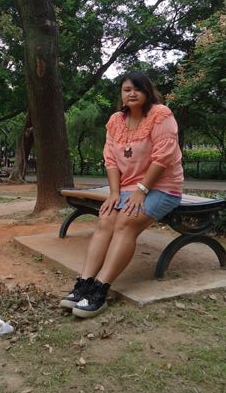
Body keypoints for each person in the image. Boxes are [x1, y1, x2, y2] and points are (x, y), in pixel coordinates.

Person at [60, 72, 184, 318]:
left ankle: (100, 289)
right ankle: (84, 283)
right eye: (127, 89)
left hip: (162, 187)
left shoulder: (160, 115)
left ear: (147, 92)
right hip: (126, 188)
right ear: (121, 94)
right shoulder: (116, 121)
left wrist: (141, 191)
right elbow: (111, 161)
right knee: (106, 219)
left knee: (125, 222)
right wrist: (114, 193)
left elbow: (163, 158)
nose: (132, 94)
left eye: (138, 89)